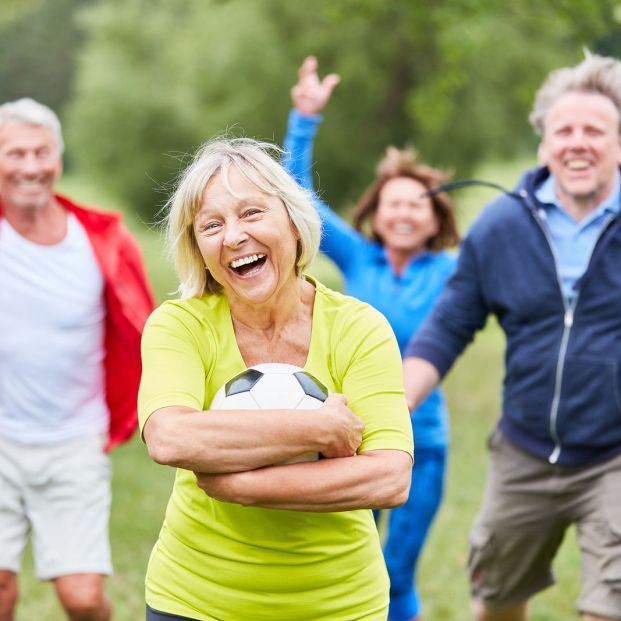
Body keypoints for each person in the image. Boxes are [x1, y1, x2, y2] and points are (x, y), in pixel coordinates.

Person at [138, 136, 414, 621]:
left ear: (293, 220)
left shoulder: (359, 327)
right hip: (197, 601)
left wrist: (241, 485)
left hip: (338, 605)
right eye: (211, 225)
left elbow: (389, 476)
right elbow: (169, 435)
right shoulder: (178, 325)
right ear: (198, 248)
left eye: (251, 213)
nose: (233, 237)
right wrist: (318, 430)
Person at [403, 53, 621, 621]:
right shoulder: (500, 229)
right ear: (545, 143)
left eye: (595, 131)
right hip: (523, 451)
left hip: (616, 455)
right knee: (495, 605)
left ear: (619, 144)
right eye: (564, 130)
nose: (578, 143)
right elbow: (448, 325)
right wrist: (393, 403)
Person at [282, 56, 460, 621]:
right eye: (393, 203)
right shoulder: (359, 257)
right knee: (345, 567)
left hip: (422, 444)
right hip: (350, 437)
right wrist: (303, 120)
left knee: (395, 572)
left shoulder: (455, 271)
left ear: (435, 220)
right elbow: (296, 195)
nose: (404, 212)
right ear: (376, 215)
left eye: (417, 204)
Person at [0, 98, 155, 621]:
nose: (29, 166)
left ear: (58, 159)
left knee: (82, 598)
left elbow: (143, 325)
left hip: (74, 439)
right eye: (14, 153)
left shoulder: (101, 240)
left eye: (41, 152)